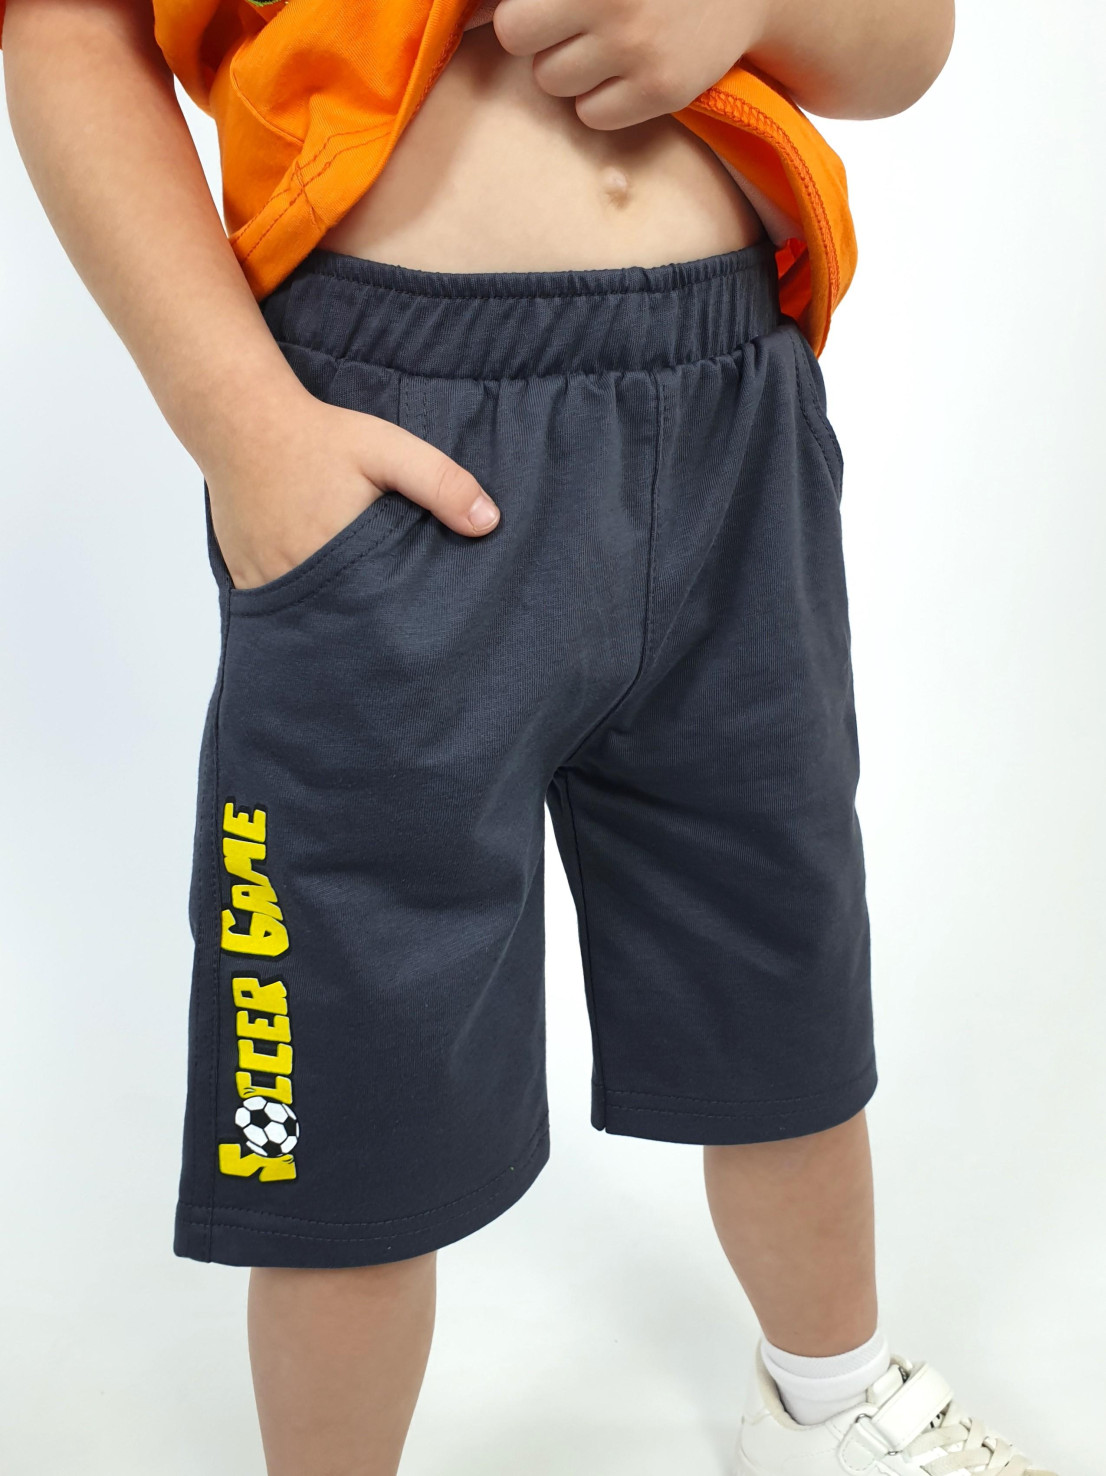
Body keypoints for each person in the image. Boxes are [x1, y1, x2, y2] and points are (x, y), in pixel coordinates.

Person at [0, 1, 1056, 1473]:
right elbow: (65, 30)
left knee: (783, 960)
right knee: (352, 1048)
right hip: (399, 431)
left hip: (732, 412)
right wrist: (242, 426)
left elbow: (906, 45)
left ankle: (832, 1403)